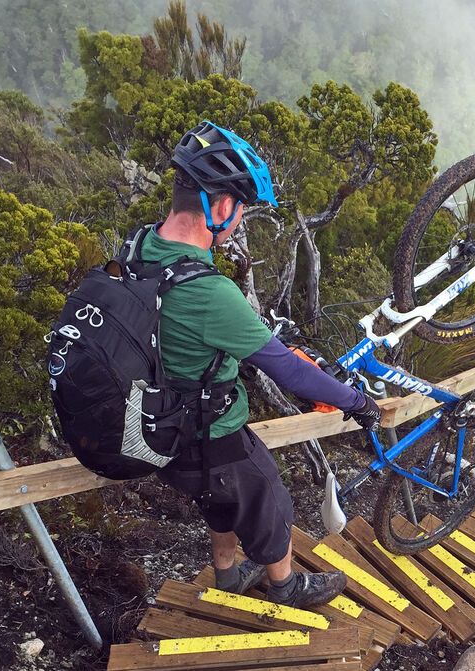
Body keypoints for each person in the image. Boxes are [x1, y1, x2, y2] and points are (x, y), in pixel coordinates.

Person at [141, 121, 381, 607]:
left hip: (160, 428)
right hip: (211, 437)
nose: (239, 217)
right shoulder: (210, 294)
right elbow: (288, 371)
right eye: (241, 207)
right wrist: (357, 402)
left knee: (221, 504)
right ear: (223, 205)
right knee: (271, 501)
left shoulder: (141, 248)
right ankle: (286, 586)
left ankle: (228, 579)